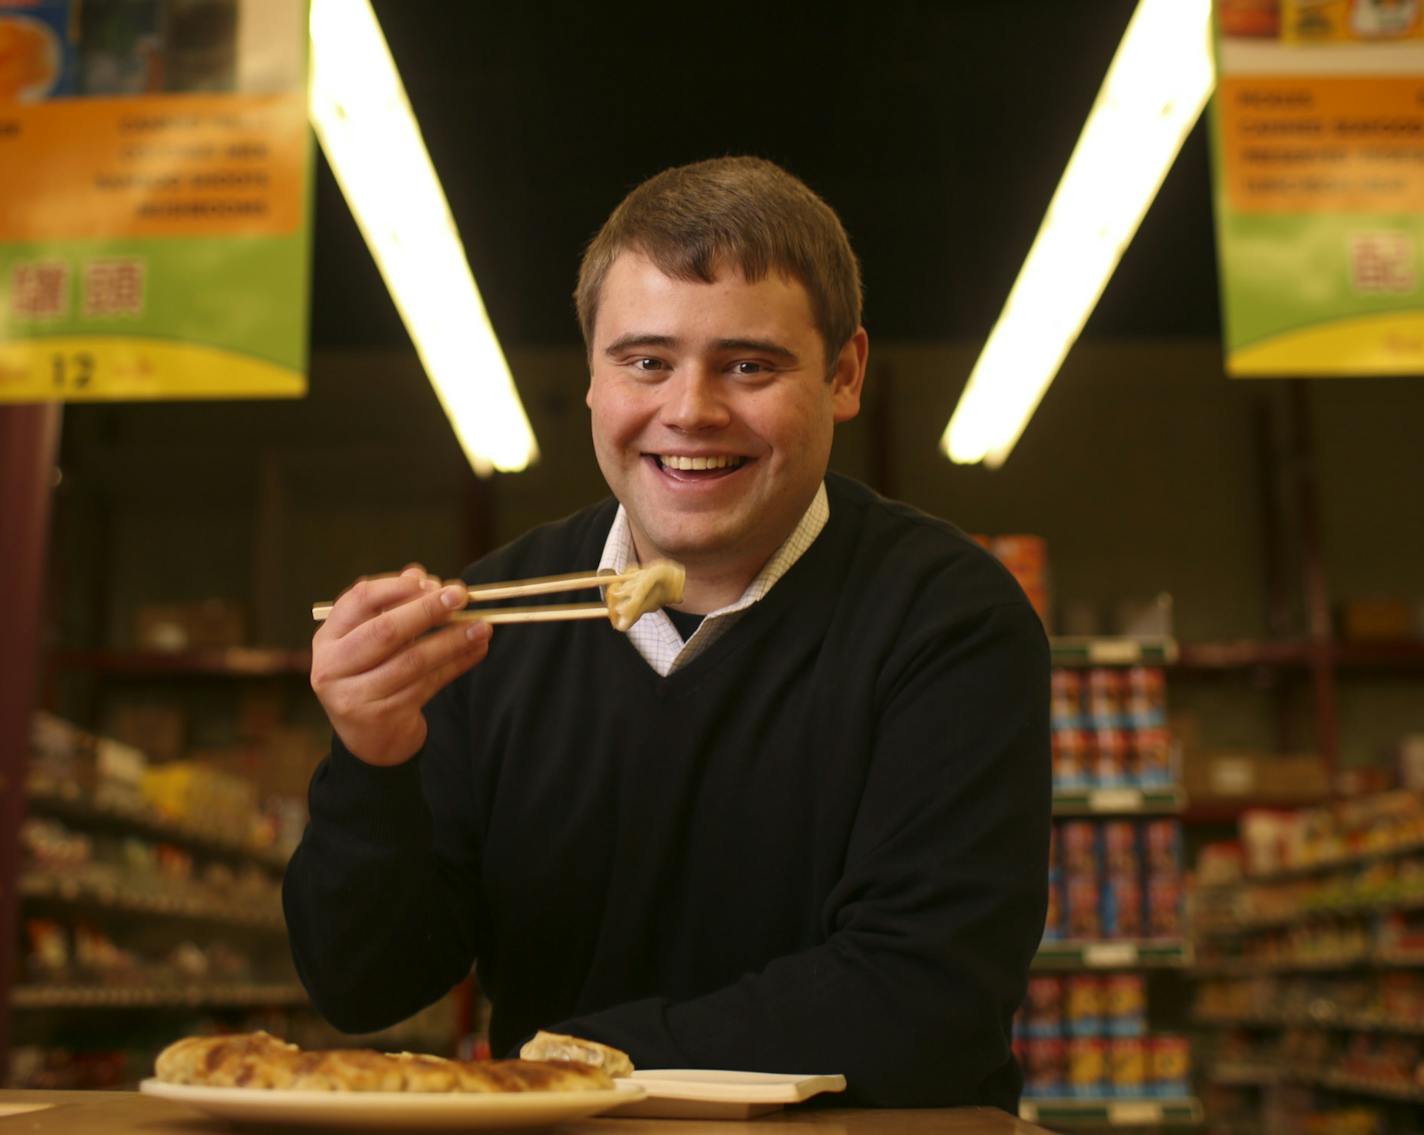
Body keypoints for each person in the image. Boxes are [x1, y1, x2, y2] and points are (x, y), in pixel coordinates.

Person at [283, 156, 1050, 1110]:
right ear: (595, 380)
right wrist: (370, 765)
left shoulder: (947, 616)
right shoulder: (491, 618)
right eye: (645, 360)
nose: (689, 410)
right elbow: (364, 986)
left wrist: (571, 1061)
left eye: (749, 365)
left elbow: (927, 997)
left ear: (845, 374)